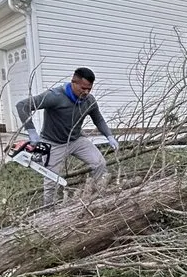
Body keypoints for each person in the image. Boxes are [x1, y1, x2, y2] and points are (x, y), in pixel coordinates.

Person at [16, 67, 119, 206]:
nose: (86, 92)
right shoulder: (55, 96)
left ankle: (94, 197)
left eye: (89, 88)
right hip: (53, 142)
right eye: (83, 88)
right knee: (51, 180)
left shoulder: (89, 100)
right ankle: (48, 212)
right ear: (73, 82)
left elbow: (98, 119)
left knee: (99, 163)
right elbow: (22, 106)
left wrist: (109, 136)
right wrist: (32, 133)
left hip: (76, 140)